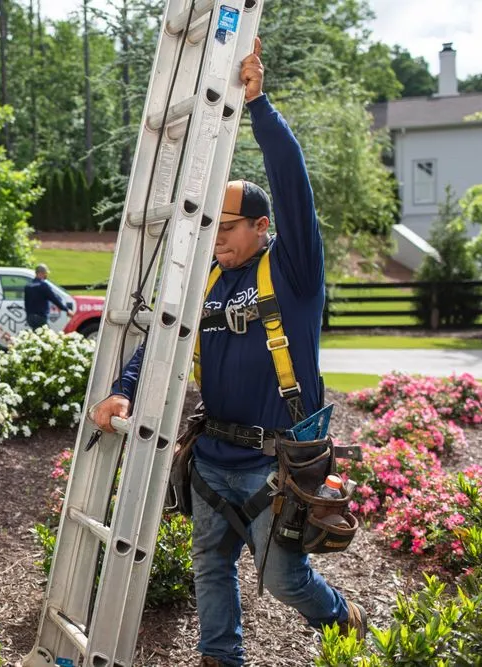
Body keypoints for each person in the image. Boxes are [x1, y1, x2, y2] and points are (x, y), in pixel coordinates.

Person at [90, 38, 366, 667]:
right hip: (213, 456)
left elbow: (294, 186)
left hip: (276, 462)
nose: (216, 237)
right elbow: (164, 340)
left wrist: (259, 108)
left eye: (230, 226)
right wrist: (125, 390)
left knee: (284, 580)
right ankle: (220, 657)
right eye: (212, 226)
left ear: (262, 227)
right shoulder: (205, 281)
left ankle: (339, 614)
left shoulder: (293, 274)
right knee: (210, 567)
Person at [24, 263, 71, 330]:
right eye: (45, 273)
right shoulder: (43, 285)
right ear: (41, 273)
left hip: (30, 318)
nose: (46, 275)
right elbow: (54, 299)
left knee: (35, 334)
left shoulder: (28, 286)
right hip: (40, 317)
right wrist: (66, 310)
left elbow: (26, 303)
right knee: (46, 335)